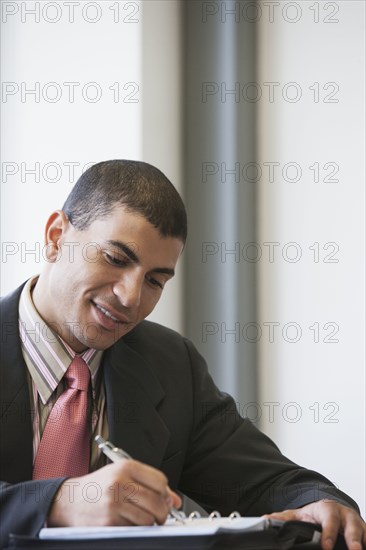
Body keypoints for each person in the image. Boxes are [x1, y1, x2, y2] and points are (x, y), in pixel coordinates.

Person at [0, 160, 365, 549]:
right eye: (115, 259)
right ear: (56, 237)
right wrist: (56, 503)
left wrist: (320, 503)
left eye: (155, 280)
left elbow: (268, 482)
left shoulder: (170, 363)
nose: (131, 297)